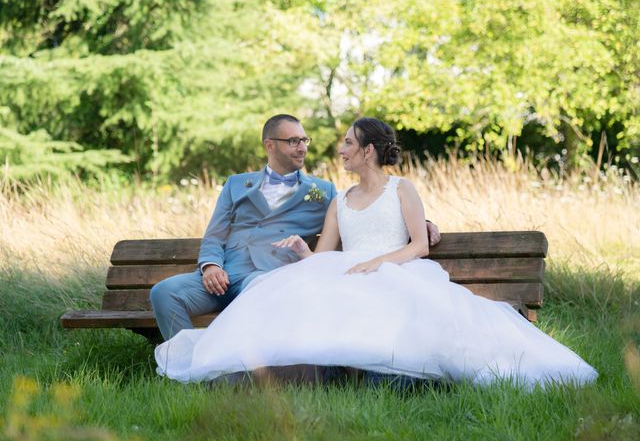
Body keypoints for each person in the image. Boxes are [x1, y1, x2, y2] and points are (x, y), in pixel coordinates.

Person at [155, 117, 597, 388]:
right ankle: (277, 377)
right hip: (342, 268)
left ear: (367, 150)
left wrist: (390, 251)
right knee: (307, 293)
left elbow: (418, 243)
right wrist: (300, 252)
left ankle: (390, 378)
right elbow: (323, 253)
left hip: (394, 268)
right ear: (271, 144)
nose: (336, 149)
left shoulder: (398, 188)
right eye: (299, 141)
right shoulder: (338, 198)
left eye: (347, 143)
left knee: (386, 301)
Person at [150, 113, 443, 341]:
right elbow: (215, 233)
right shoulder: (236, 184)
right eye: (293, 141)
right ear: (270, 145)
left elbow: (368, 208)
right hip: (225, 273)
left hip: (269, 277)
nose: (302, 147)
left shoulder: (323, 191)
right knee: (164, 292)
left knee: (257, 296)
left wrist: (419, 223)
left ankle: (242, 372)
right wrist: (210, 266)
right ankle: (185, 364)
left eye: (305, 140)